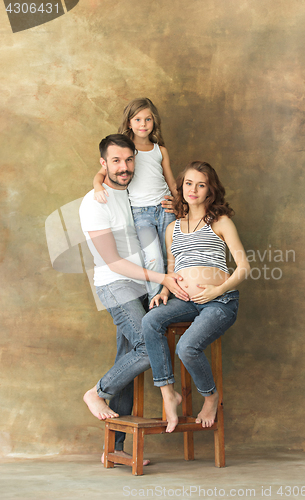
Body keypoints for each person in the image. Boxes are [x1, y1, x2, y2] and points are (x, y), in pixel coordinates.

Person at [79, 133, 188, 461]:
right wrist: (162, 278)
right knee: (147, 346)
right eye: (115, 161)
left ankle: (115, 449)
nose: (124, 167)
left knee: (127, 357)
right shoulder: (94, 202)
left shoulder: (134, 193)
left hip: (144, 286)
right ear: (104, 164)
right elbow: (112, 261)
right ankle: (96, 392)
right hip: (117, 285)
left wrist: (172, 201)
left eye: (129, 160)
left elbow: (160, 212)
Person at [142, 161, 251, 433]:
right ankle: (169, 394)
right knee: (150, 321)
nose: (193, 189)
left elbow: (244, 268)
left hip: (219, 301)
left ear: (209, 191)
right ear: (181, 188)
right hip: (186, 302)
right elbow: (172, 268)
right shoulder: (173, 228)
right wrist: (166, 290)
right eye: (188, 183)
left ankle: (211, 396)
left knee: (186, 348)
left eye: (201, 185)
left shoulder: (221, 222)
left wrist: (217, 290)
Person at [93, 98, 177, 301]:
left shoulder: (160, 150)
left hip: (165, 208)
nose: (143, 124)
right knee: (153, 258)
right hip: (141, 213)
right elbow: (100, 175)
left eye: (148, 119)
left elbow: (172, 182)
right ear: (129, 123)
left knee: (172, 256)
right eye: (137, 119)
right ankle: (155, 302)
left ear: (154, 122)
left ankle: (175, 299)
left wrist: (179, 203)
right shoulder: (127, 151)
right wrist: (97, 187)